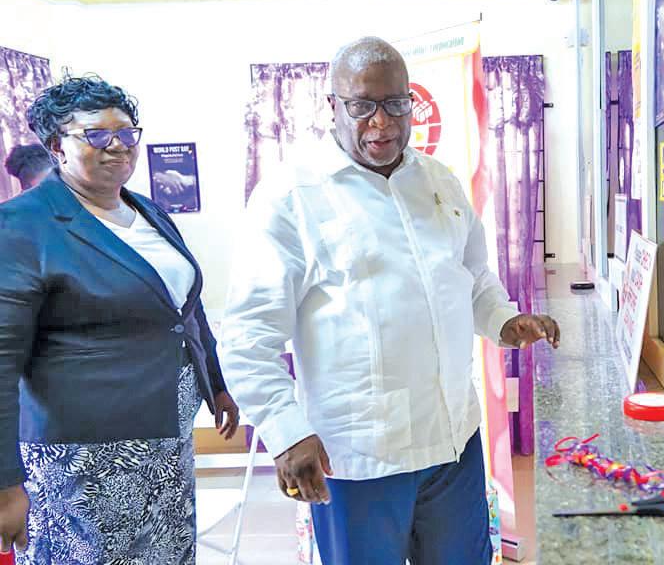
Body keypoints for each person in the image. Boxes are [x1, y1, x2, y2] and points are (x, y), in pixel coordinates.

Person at [221, 37, 560, 564]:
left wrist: (503, 319)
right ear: (333, 106)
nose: (381, 122)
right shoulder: (290, 197)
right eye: (362, 106)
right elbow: (248, 336)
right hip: (359, 457)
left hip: (452, 440)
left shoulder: (439, 182)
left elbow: (471, 275)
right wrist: (286, 431)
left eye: (396, 104)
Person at [0, 75, 240, 563]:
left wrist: (214, 383)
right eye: (96, 134)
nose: (118, 145)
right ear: (57, 146)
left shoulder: (147, 211)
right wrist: (5, 484)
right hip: (83, 453)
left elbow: (184, 308)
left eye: (127, 132)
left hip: (167, 437)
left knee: (167, 553)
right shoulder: (23, 224)